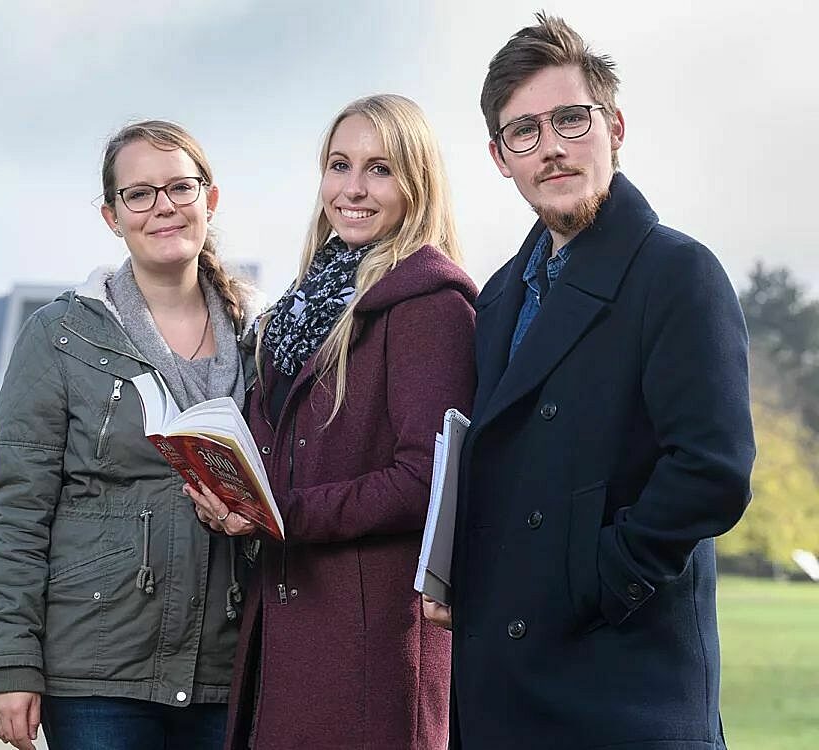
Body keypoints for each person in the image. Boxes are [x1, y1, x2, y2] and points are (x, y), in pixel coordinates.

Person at [425, 14, 756, 750]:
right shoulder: (498, 297)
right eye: (525, 131)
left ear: (615, 128)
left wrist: (597, 581)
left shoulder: (678, 272)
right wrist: (462, 578)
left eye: (571, 119)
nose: (552, 147)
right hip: (504, 692)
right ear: (500, 157)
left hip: (623, 693)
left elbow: (712, 471)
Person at [188, 94, 477, 750]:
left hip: (369, 647)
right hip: (284, 627)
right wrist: (227, 495)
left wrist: (280, 513)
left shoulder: (432, 307)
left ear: (418, 183)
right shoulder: (299, 308)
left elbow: (425, 481)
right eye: (339, 165)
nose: (352, 188)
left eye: (380, 169)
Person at [0, 120, 261, 750]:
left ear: (210, 199)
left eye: (180, 187)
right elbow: (17, 512)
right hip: (96, 674)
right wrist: (12, 662)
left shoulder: (263, 336)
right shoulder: (61, 336)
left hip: (229, 666)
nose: (163, 207)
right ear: (112, 216)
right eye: (139, 194)